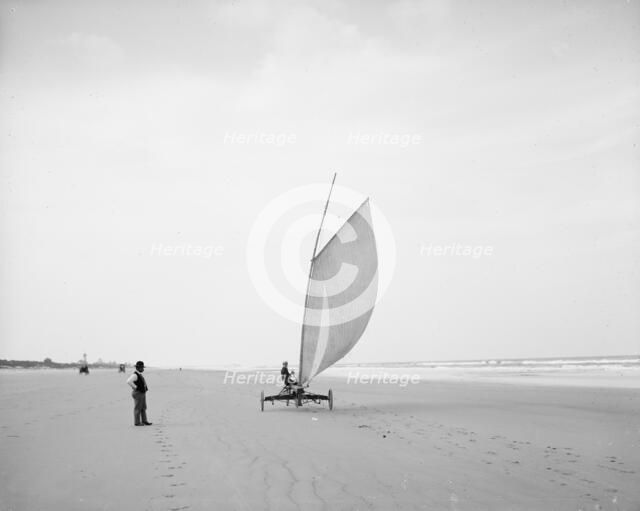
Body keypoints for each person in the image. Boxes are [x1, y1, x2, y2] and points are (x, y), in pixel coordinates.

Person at [126, 361, 152, 426]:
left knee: (143, 407)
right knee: (138, 408)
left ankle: (144, 421)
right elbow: (128, 381)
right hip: (138, 393)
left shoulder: (139, 374)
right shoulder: (135, 375)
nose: (143, 369)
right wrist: (135, 387)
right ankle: (137, 422)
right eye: (142, 368)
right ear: (138, 368)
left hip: (142, 393)